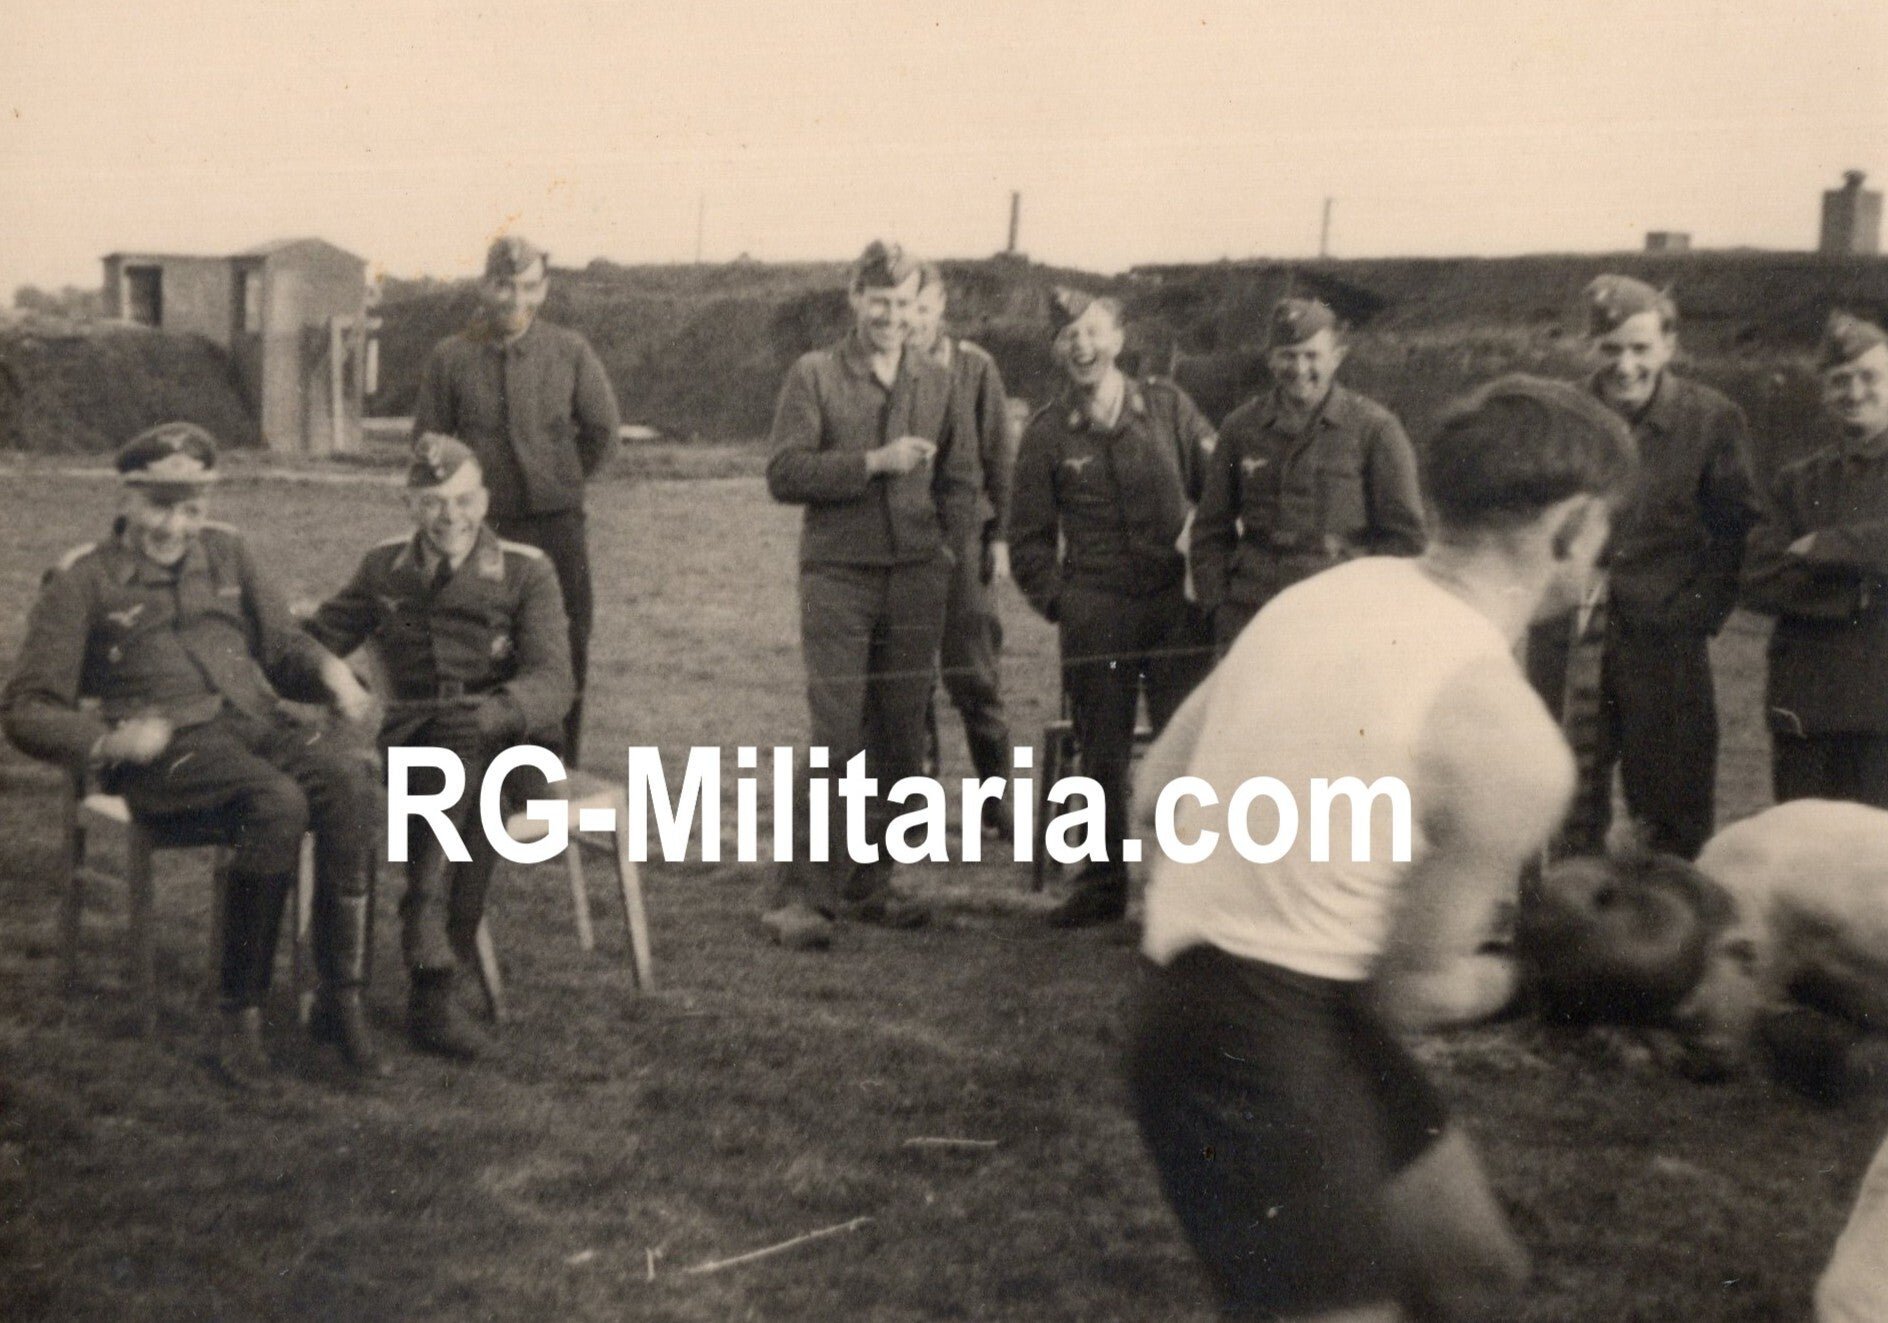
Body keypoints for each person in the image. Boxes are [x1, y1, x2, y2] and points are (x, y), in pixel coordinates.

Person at [1127, 376, 1636, 1322]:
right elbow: (1405, 990)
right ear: (1572, 529)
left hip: (1240, 1008)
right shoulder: (1513, 741)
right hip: (1253, 1033)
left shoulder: (1333, 588)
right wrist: (1539, 982)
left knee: (1473, 1273)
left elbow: (1157, 789)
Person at [1, 422, 382, 1087]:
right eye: (159, 505)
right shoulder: (84, 580)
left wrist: (330, 672)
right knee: (277, 802)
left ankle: (338, 997)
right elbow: (26, 707)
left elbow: (283, 651)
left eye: (192, 508)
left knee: (349, 781)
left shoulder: (230, 555)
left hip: (250, 727)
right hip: (163, 753)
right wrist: (107, 741)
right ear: (125, 496)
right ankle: (238, 1018)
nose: (176, 525)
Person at [305, 435, 573, 1059]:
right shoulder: (383, 568)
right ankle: (433, 989)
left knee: (465, 764)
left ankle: (428, 957)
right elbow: (318, 638)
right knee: (451, 773)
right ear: (408, 504)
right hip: (416, 741)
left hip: (512, 740)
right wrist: (305, 655)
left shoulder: (526, 568)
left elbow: (554, 680)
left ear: (485, 499)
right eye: (432, 502)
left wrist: (492, 715)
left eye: (463, 500)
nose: (451, 517)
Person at [760, 241, 976, 950]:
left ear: (919, 305)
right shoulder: (815, 374)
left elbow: (962, 480)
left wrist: (948, 553)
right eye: (877, 301)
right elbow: (785, 472)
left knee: (898, 732)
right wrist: (872, 464)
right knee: (838, 733)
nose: (891, 316)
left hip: (916, 577)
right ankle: (802, 895)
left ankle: (868, 882)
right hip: (839, 576)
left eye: (904, 303)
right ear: (854, 298)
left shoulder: (937, 379)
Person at [1525, 274, 1759, 859]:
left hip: (1663, 647)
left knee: (1671, 812)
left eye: (1640, 348)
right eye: (1610, 349)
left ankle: (1664, 943)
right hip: (1567, 641)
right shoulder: (1560, 417)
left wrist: (1695, 615)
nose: (1625, 365)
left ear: (1668, 347)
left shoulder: (1711, 420)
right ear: (1590, 349)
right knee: (1560, 806)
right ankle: (1564, 938)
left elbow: (1735, 529)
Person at [1009, 288, 1217, 927]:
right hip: (1098, 614)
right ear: (1057, 350)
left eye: (1094, 332)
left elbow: (1217, 500)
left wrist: (1204, 583)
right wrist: (1063, 605)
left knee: (1184, 748)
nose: (1083, 346)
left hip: (1174, 609)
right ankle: (1101, 887)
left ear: (1118, 340)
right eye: (1070, 337)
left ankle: (1181, 892)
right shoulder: (1046, 434)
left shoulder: (1169, 407)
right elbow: (1028, 540)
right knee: (1099, 752)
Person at [410, 234, 619, 764]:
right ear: (485, 287)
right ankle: (480, 765)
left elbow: (601, 431)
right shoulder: (451, 357)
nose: (515, 300)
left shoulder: (569, 351)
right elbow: (429, 444)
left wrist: (559, 482)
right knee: (481, 643)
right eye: (504, 286)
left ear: (544, 290)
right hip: (481, 529)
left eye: (528, 287)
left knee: (563, 644)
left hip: (556, 528)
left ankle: (554, 767)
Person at [1191, 296, 1425, 651]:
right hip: (1253, 613)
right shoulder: (1240, 428)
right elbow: (1210, 528)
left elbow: (1405, 538)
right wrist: (1219, 606)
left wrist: (1371, 611)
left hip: (1339, 616)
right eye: (1287, 355)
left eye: (1311, 356)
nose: (1299, 369)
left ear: (1336, 357)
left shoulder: (1375, 428)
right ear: (1271, 359)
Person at [1742, 311, 1888, 809]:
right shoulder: (1798, 481)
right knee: (1803, 854)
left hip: (1881, 707)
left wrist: (1828, 545)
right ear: (1825, 392)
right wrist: (1860, 590)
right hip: (1809, 702)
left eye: (1870, 377)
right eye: (1840, 380)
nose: (1855, 391)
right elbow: (1757, 575)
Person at [907, 262, 1016, 838]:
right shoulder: (889, 370)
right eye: (906, 310)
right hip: (902, 542)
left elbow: (1000, 456)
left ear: (940, 308)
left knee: (974, 672)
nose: (913, 322)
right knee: (909, 677)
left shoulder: (975, 367)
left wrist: (998, 538)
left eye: (923, 309)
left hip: (964, 536)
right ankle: (914, 807)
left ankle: (995, 801)